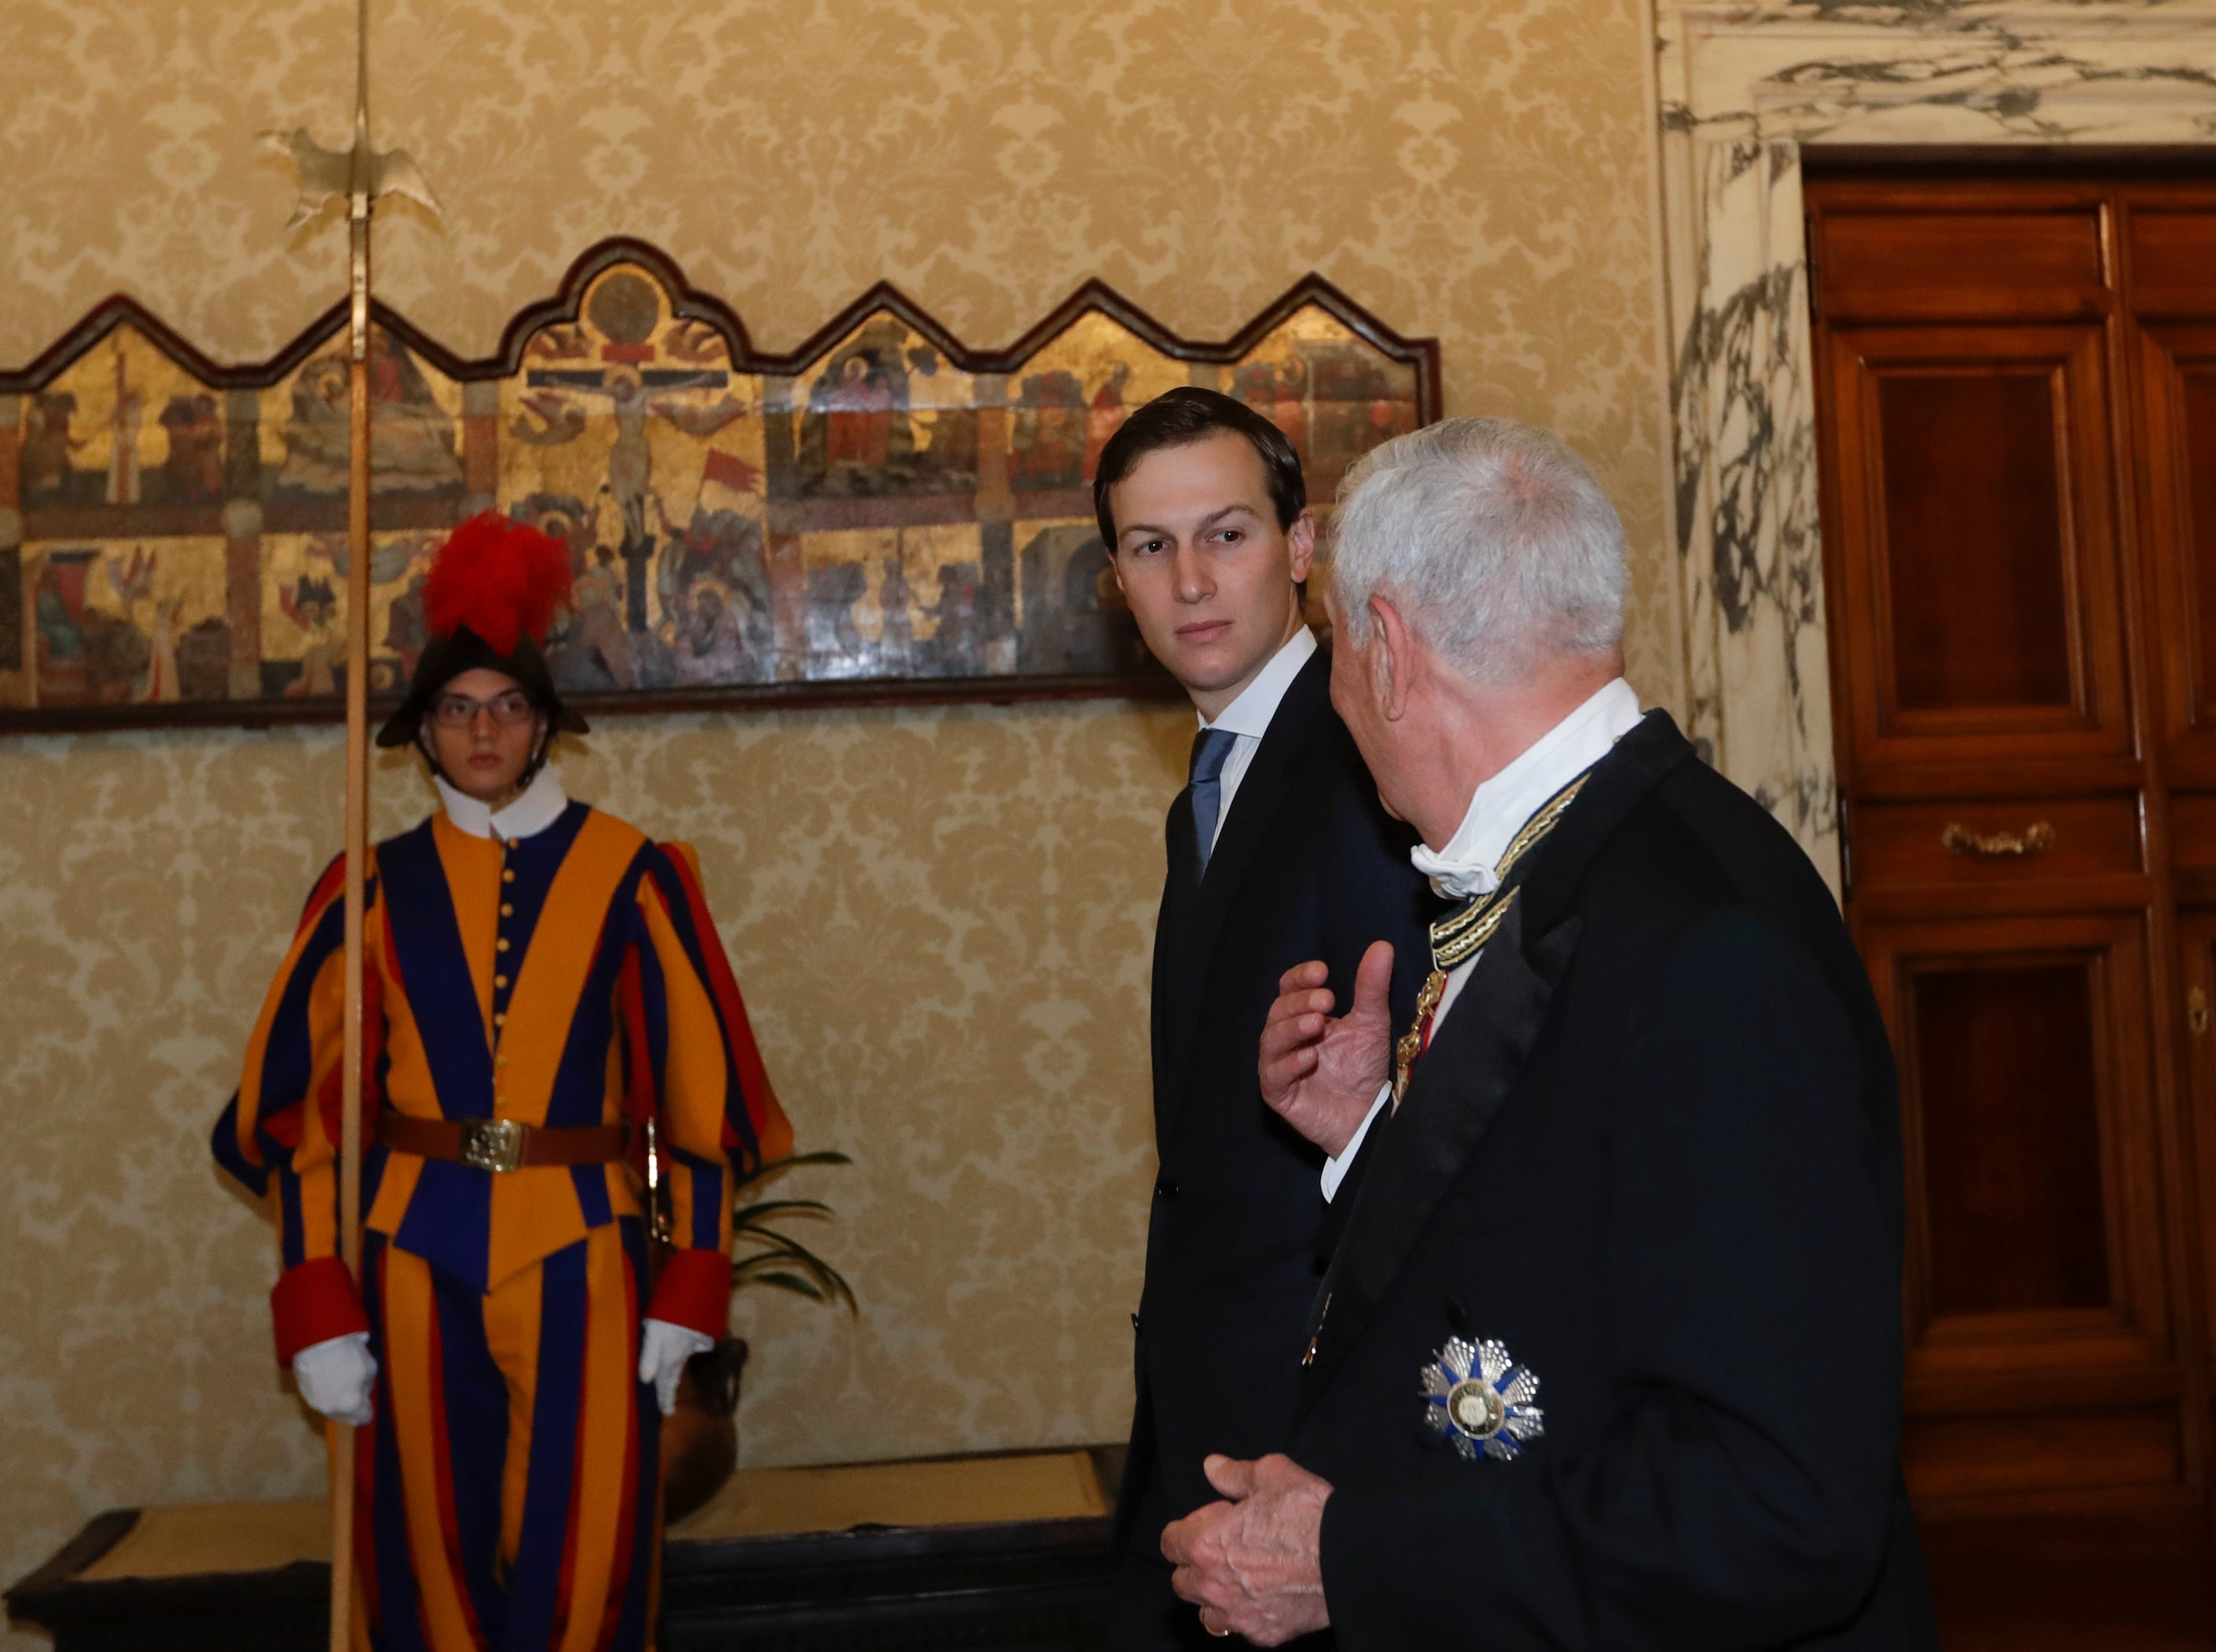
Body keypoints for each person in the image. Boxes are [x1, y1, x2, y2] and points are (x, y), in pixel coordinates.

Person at [1162, 418, 1938, 1649]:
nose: (1337, 695)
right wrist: (1374, 1140)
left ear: (1391, 649)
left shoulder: (1706, 943)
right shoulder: (1575, 858)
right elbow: (1566, 1238)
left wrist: (1351, 1560)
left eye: (1333, 654)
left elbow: (1778, 1504)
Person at [213, 511, 791, 1651]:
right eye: (457, 708)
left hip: (586, 1249)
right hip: (410, 1252)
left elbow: (702, 1099)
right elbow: (299, 1115)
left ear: (544, 726)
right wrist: (319, 1307)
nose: (484, 729)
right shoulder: (366, 888)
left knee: (587, 1560)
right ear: (422, 732)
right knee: (424, 1557)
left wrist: (692, 1285)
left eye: (508, 705)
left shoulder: (634, 873)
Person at [1095, 388, 1433, 1649]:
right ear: (1116, 578)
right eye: (1150, 546)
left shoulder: (1368, 758)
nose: (1191, 579)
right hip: (1212, 1394)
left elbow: (1428, 1097)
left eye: (1227, 535)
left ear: (1301, 550)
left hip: (1321, 1425)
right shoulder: (1219, 777)